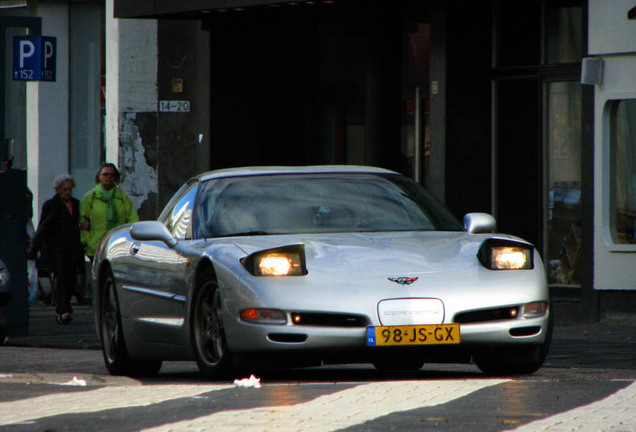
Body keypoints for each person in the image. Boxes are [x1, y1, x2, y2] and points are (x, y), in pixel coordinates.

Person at [28, 174, 85, 324]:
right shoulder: (51, 205)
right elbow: (43, 227)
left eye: (70, 189)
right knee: (61, 277)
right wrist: (34, 249)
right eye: (65, 189)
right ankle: (62, 309)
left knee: (70, 277)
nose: (68, 192)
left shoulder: (76, 204)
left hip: (72, 247)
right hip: (56, 247)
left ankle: (65, 306)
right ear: (58, 190)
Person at [80, 163, 139, 261]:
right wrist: (87, 241)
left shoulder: (122, 198)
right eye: (105, 174)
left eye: (112, 175)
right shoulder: (90, 197)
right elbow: (82, 221)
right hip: (96, 246)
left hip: (117, 247)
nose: (108, 177)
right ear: (99, 176)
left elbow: (132, 219)